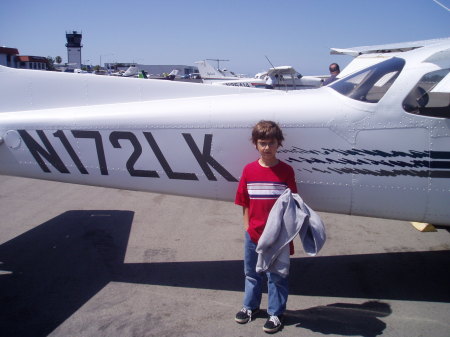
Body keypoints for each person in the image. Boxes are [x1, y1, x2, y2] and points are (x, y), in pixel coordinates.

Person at [234, 120, 297, 334]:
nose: (267, 148)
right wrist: (247, 229)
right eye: (262, 143)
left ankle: (275, 313)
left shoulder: (286, 171)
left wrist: (286, 235)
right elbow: (244, 202)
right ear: (255, 144)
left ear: (279, 144)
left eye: (271, 143)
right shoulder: (249, 170)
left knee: (277, 275)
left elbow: (292, 205)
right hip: (253, 235)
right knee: (252, 273)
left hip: (278, 237)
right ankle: (250, 307)